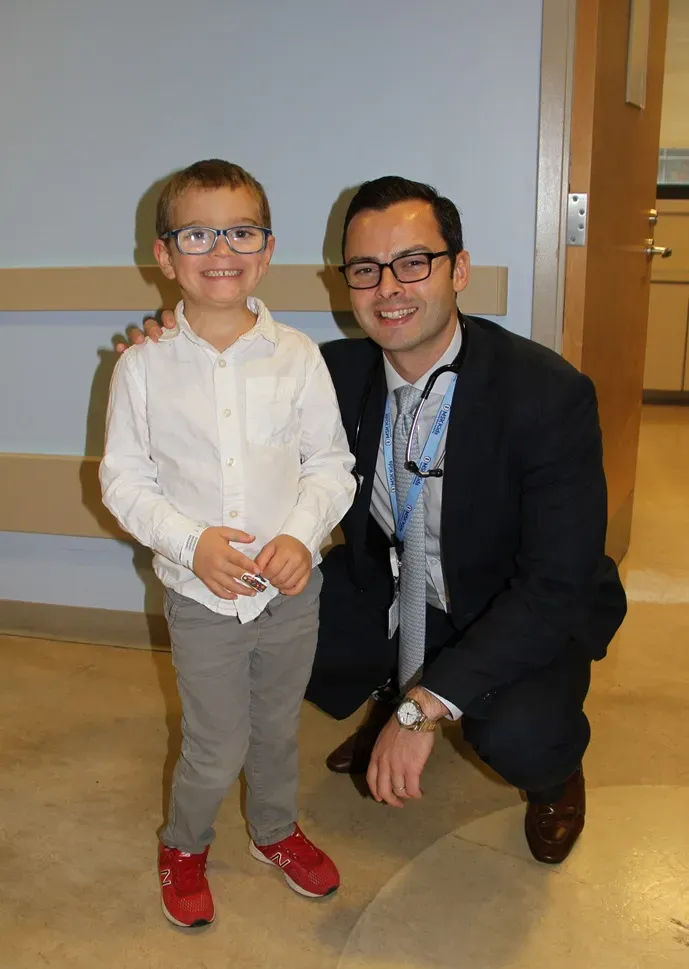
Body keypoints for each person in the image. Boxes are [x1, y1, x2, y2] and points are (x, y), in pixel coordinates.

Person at [119, 175, 627, 867]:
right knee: (280, 630)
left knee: (521, 730)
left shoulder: (545, 394)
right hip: (393, 587)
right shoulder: (325, 370)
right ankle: (393, 688)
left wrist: (426, 708)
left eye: (414, 262)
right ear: (345, 284)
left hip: (514, 601)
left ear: (460, 268)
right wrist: (162, 342)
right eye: (365, 269)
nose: (389, 287)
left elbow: (555, 585)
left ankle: (548, 775)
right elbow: (222, 371)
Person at [101, 159, 355, 928]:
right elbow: (124, 481)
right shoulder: (142, 366)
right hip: (201, 599)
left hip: (290, 593)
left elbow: (331, 464)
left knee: (279, 727)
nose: (221, 248)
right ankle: (183, 843)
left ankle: (275, 828)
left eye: (241, 230)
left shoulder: (298, 357)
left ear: (267, 248)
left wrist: (301, 537)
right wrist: (189, 543)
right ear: (165, 255)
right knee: (214, 744)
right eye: (198, 232)